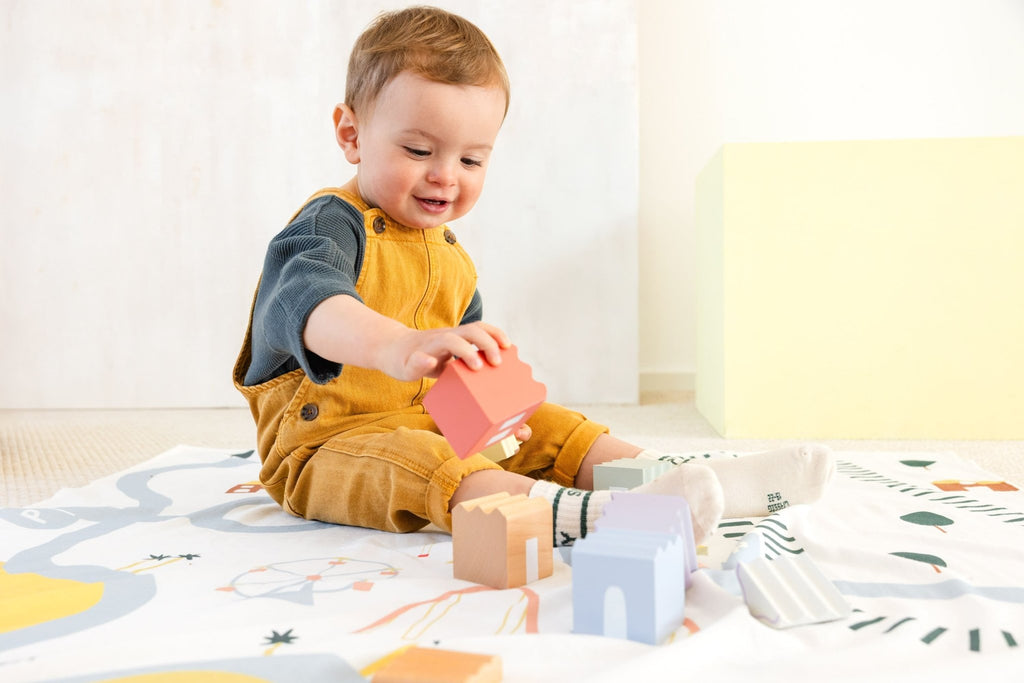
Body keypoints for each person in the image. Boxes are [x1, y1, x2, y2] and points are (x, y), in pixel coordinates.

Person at [233, 6, 834, 547]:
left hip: (429, 421)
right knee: (432, 465)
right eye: (418, 151)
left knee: (548, 426)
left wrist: (492, 409)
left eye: (471, 159)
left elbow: (461, 377)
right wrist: (399, 344)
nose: (446, 175)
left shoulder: (451, 256)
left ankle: (686, 480)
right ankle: (592, 517)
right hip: (325, 448)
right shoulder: (329, 226)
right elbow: (313, 308)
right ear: (352, 134)